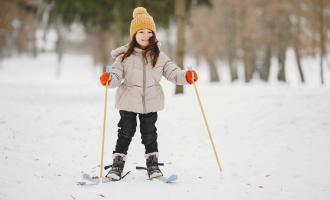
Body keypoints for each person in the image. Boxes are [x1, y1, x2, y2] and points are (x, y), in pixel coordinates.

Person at [99, 7, 198, 180]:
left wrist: (186, 77)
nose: (146, 36)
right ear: (134, 34)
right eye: (141, 32)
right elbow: (115, 77)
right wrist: (108, 79)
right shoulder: (123, 57)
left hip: (151, 102)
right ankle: (117, 165)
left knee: (150, 133)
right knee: (125, 132)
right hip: (128, 100)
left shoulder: (159, 57)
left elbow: (173, 73)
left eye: (149, 32)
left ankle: (152, 164)